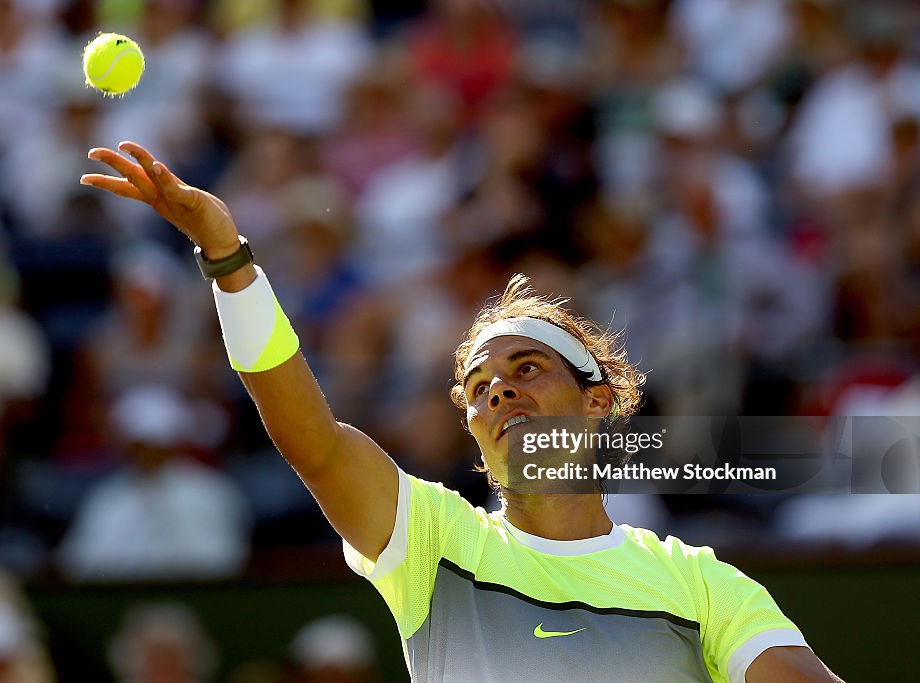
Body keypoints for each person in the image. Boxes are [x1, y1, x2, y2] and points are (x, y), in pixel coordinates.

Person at [80, 141, 844, 682]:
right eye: (479, 387)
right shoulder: (434, 543)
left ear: (599, 400)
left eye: (527, 368)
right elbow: (310, 439)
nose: (498, 391)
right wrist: (227, 256)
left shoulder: (704, 584)